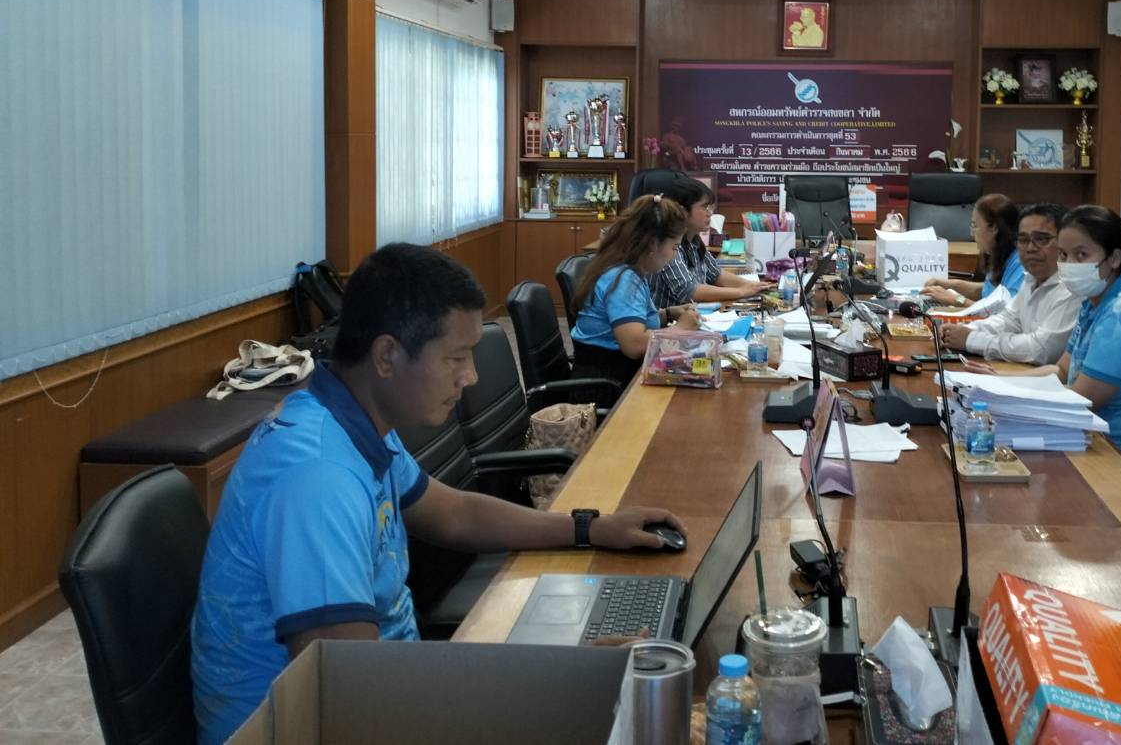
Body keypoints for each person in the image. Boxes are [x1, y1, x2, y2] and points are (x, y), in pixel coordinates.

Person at [191, 243, 685, 745]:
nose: (470, 376)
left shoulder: (350, 421)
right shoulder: (317, 477)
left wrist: (590, 527)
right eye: (456, 357)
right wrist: (556, 680)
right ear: (387, 356)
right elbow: (352, 698)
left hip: (388, 686)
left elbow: (453, 513)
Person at [990, 205, 1121, 484]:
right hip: (1096, 445)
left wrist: (1007, 404)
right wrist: (998, 383)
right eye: (1064, 255)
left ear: (1114, 258)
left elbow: (1081, 401)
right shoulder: (1093, 303)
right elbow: (1060, 370)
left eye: (1081, 255)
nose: (1069, 265)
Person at [571, 194, 700, 384]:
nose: (674, 256)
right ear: (653, 244)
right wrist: (680, 329)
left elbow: (634, 319)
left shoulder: (629, 270)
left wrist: (668, 314)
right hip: (607, 386)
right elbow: (634, 344)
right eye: (674, 247)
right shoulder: (624, 280)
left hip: (617, 374)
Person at [940, 203, 1081, 364]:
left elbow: (1040, 350)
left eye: (1041, 239)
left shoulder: (1072, 287)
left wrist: (972, 340)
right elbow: (1009, 320)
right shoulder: (1032, 278)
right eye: (1023, 240)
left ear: (1064, 242)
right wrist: (965, 330)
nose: (1030, 248)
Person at [651, 176, 771, 308]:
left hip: (693, 315)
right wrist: (741, 292)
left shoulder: (694, 241)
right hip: (671, 319)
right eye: (704, 207)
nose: (710, 213)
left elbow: (716, 274)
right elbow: (689, 291)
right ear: (683, 211)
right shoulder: (668, 246)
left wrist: (752, 285)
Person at [921, 193, 1023, 307]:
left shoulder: (1021, 264)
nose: (971, 233)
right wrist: (944, 284)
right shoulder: (1000, 254)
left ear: (994, 228)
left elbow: (1003, 313)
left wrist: (958, 300)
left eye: (975, 226)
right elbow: (987, 291)